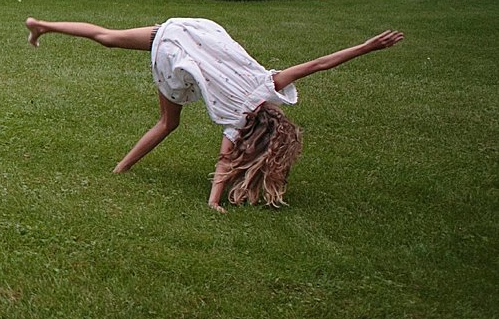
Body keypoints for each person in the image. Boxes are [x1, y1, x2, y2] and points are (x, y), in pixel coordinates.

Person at [24, 16, 403, 211]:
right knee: (167, 122)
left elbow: (319, 64)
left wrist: (367, 47)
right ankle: (120, 169)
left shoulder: (266, 84)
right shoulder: (238, 120)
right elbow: (223, 163)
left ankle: (42, 25)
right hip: (177, 55)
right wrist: (213, 200)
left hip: (187, 31)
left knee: (106, 35)